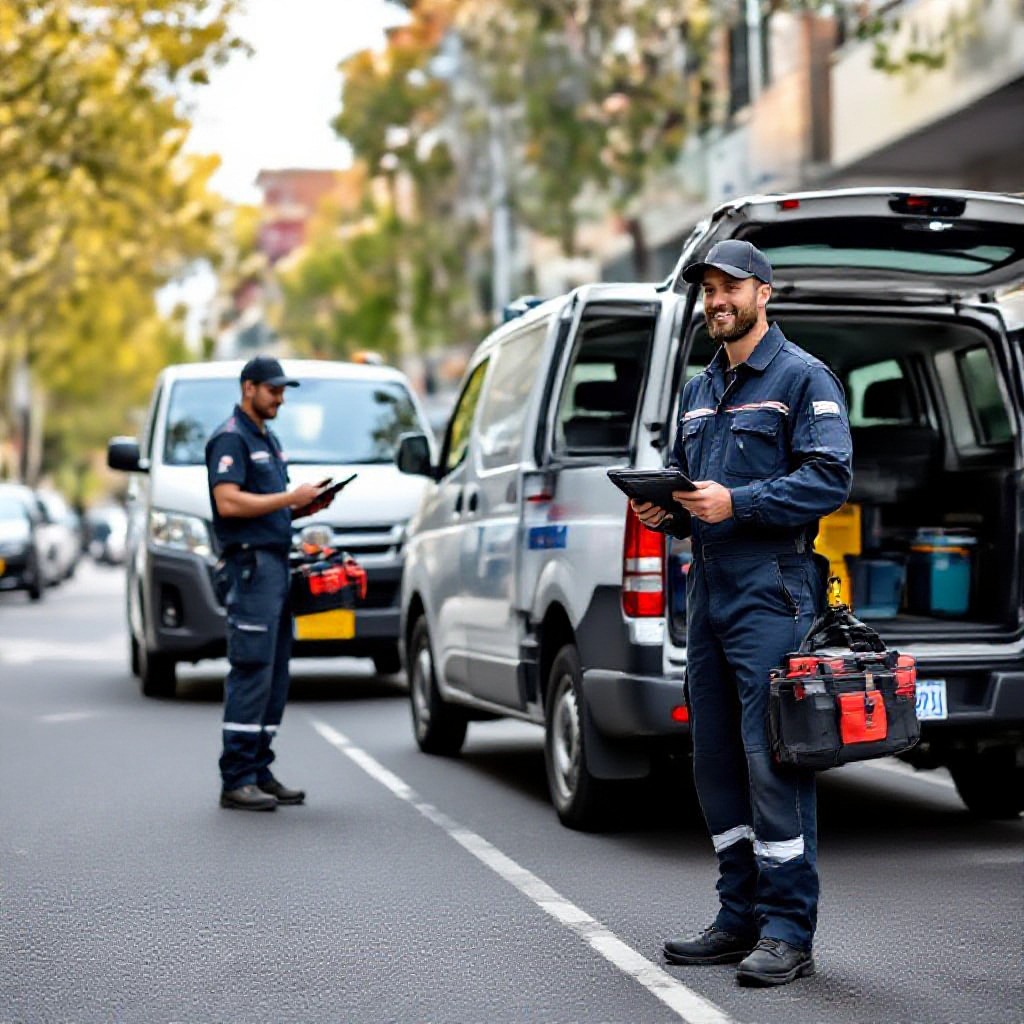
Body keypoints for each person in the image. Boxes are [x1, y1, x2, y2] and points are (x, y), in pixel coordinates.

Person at [634, 240, 853, 986]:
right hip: (709, 586)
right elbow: (692, 487)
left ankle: (790, 930)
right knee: (717, 759)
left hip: (773, 585)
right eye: (707, 292)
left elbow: (830, 477)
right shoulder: (702, 390)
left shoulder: (802, 377)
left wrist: (739, 503)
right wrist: (667, 512)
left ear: (764, 294)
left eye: (730, 287)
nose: (716, 301)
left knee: (773, 758)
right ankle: (739, 917)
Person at [205, 355, 335, 812]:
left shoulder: (267, 437)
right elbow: (229, 504)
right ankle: (236, 778)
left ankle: (259, 770)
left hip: (276, 566)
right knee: (252, 668)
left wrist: (302, 508)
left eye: (283, 390)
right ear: (249, 388)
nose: (280, 397)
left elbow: (263, 505)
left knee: (276, 674)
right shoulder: (230, 438)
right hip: (252, 569)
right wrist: (288, 497)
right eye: (273, 390)